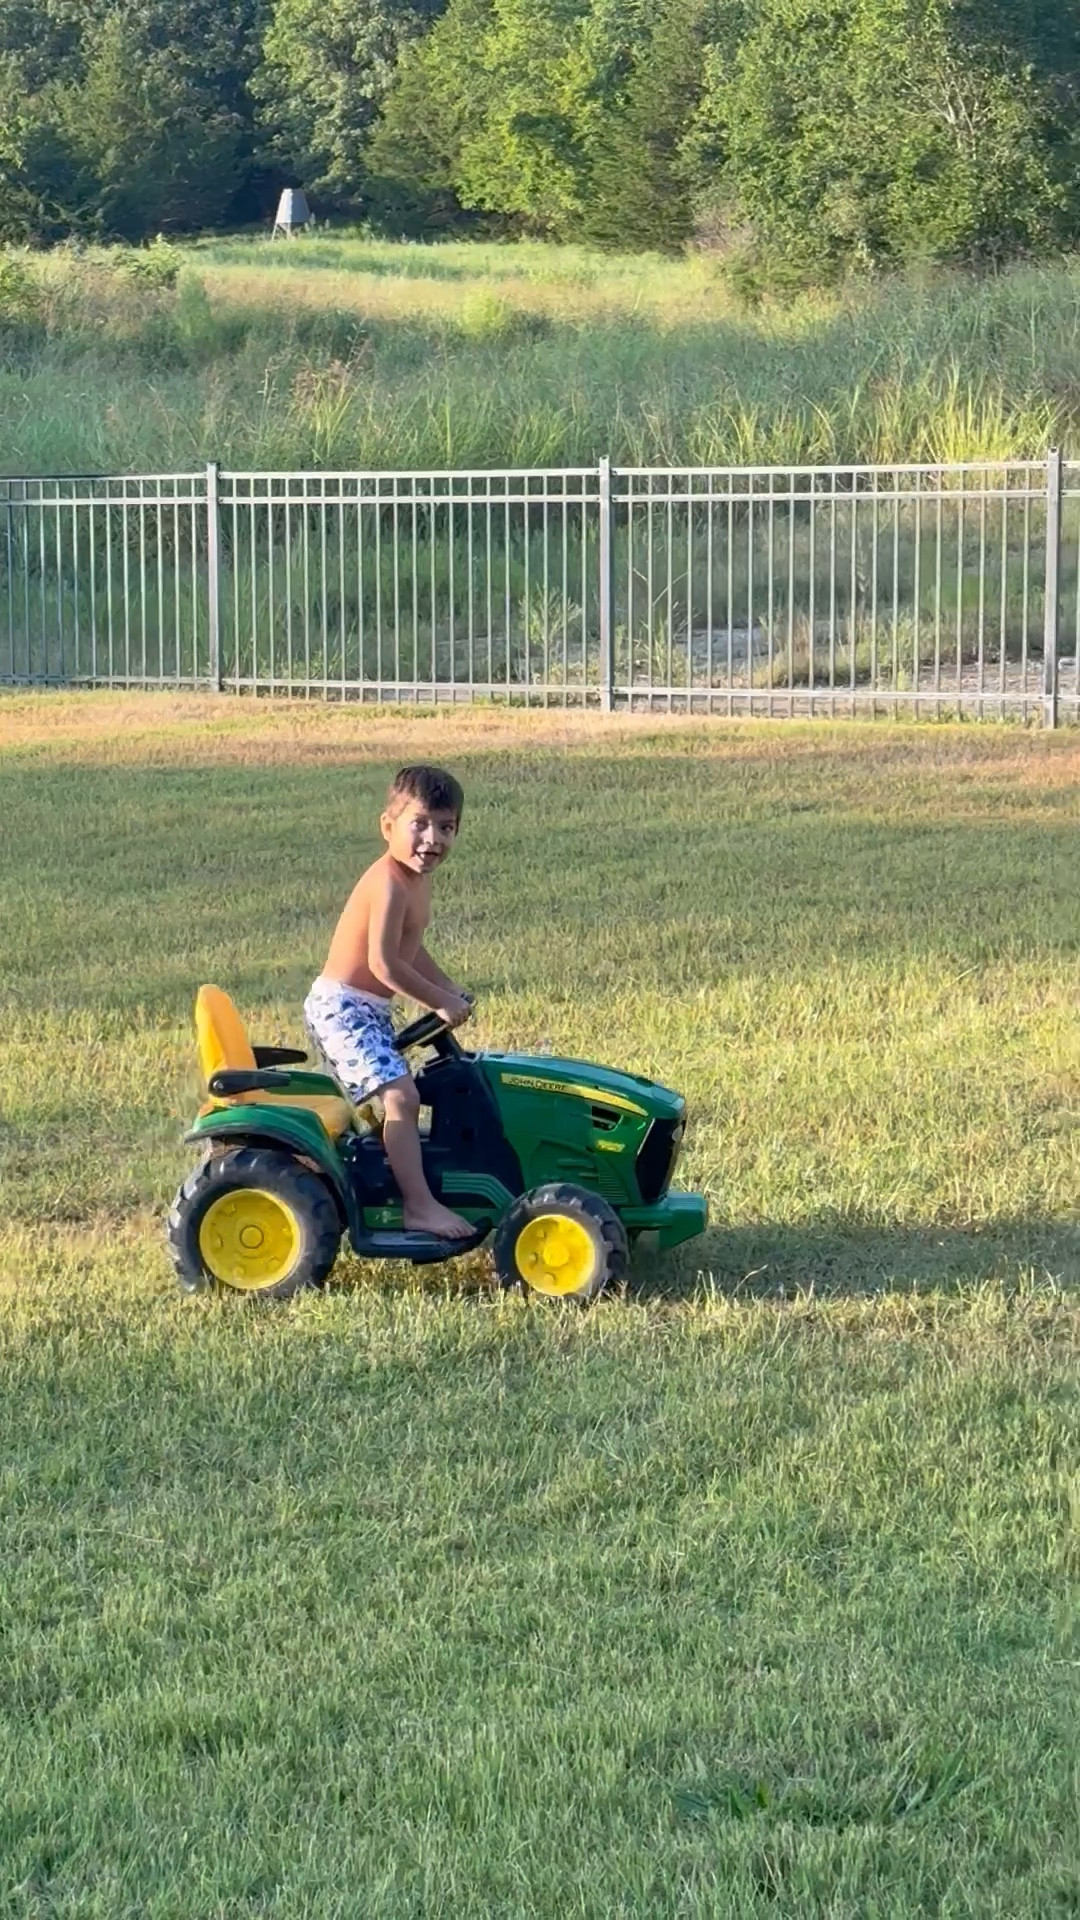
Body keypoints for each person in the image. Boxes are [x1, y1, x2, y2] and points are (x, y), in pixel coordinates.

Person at [304, 765, 475, 1240]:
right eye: (419, 824)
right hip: (343, 1009)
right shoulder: (387, 882)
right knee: (402, 1096)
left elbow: (411, 947)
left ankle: (404, 1172)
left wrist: (448, 986)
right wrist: (438, 1000)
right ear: (387, 826)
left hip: (369, 1010)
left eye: (446, 827)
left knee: (428, 1087)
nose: (432, 838)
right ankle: (418, 1206)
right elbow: (383, 964)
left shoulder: (417, 881)